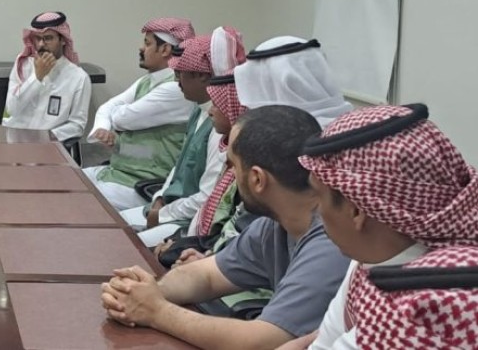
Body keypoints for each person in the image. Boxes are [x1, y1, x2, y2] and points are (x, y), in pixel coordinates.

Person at [100, 105, 350, 349]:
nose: (228, 175)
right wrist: (143, 292)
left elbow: (264, 340)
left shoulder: (332, 242)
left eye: (231, 165)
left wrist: (157, 311)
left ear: (257, 179)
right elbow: (207, 276)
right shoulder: (275, 224)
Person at [289, 104, 478, 349]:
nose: (316, 210)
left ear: (356, 211)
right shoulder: (373, 256)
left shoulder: (428, 305)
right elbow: (325, 340)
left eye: (318, 196)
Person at [119, 28, 245, 247]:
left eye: (180, 73)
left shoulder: (220, 126)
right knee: (111, 224)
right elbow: (178, 168)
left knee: (123, 244)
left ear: (202, 76)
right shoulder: (198, 110)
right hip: (169, 205)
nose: (176, 80)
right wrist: (159, 199)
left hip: (188, 221)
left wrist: (162, 214)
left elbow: (207, 197)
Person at [83, 17, 195, 209]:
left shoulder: (176, 87)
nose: (141, 48)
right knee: (67, 180)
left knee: (79, 201)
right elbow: (107, 107)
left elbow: (123, 118)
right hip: (117, 171)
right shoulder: (147, 81)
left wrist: (115, 117)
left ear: (165, 49)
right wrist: (103, 127)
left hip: (145, 185)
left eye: (147, 43)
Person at [1, 11, 91, 142]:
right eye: (38, 38)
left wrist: (47, 137)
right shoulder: (23, 65)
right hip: (15, 143)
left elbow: (77, 126)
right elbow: (12, 110)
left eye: (48, 38)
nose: (41, 44)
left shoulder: (79, 77)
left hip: (49, 146)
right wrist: (37, 77)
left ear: (63, 40)